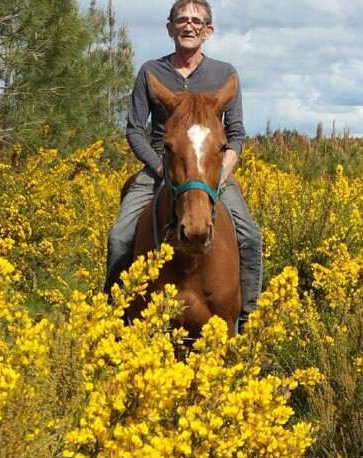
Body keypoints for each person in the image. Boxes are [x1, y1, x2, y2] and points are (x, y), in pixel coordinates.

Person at [104, 0, 262, 333]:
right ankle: (113, 322)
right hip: (162, 169)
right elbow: (135, 128)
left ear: (208, 30)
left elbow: (236, 134)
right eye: (181, 20)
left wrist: (223, 173)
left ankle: (248, 326)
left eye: (196, 20)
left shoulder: (224, 74)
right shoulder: (151, 72)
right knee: (120, 236)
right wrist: (158, 167)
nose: (188, 25)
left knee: (250, 236)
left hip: (210, 173)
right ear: (170, 28)